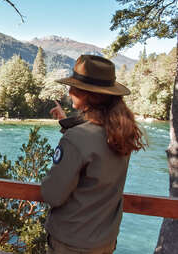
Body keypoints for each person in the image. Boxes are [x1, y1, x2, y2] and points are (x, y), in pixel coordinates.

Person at [41, 55, 146, 254]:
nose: (69, 91)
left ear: (89, 95)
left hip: (71, 243)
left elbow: (52, 195)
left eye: (74, 87)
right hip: (104, 241)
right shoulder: (121, 133)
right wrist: (66, 123)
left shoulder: (76, 138)